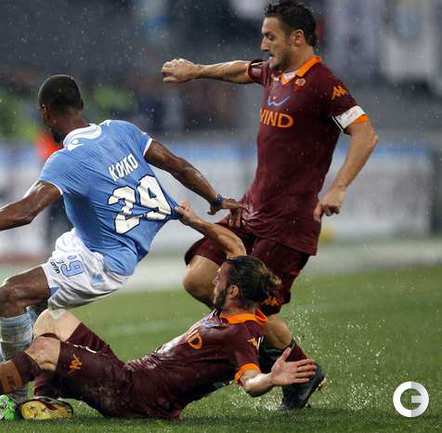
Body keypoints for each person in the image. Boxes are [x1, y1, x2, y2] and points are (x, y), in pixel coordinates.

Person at [0, 75, 239, 401]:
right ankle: (14, 370)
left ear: (45, 112)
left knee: (12, 293)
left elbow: (25, 212)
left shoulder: (66, 160)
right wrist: (216, 199)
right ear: (80, 105)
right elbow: (177, 165)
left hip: (103, 260)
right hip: (85, 241)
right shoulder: (121, 130)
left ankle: (13, 400)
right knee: (33, 313)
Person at [0, 202, 317, 422]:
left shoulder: (240, 335)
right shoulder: (239, 304)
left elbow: (250, 382)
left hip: (138, 398)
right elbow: (235, 246)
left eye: (220, 278)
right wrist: (192, 220)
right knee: (52, 319)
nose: (213, 280)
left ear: (234, 290)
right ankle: (43, 398)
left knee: (44, 349)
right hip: (132, 375)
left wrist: (271, 378)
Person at [160, 0, 378, 409]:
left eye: (269, 36)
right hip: (250, 210)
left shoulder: (323, 84)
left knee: (247, 306)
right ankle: (293, 364)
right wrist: (196, 71)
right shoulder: (274, 71)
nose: (262, 44)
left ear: (297, 38)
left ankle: (293, 373)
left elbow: (365, 135)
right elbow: (241, 70)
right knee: (198, 280)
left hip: (288, 224)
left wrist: (339, 188)